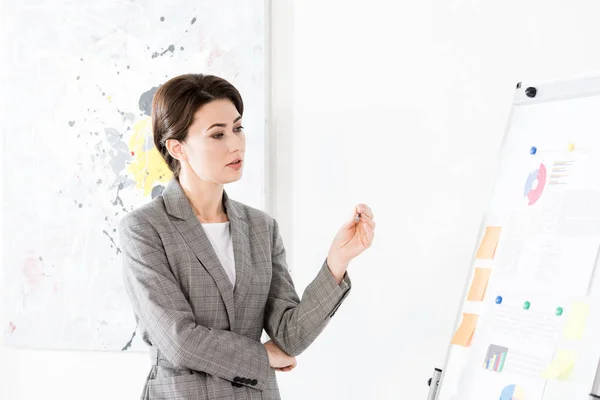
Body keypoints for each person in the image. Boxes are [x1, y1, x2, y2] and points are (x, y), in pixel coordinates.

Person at [118, 73, 375, 400]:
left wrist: (337, 262)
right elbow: (180, 341)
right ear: (177, 147)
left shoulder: (261, 227)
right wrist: (263, 356)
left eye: (238, 128)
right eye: (217, 134)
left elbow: (289, 335)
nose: (235, 143)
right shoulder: (145, 229)